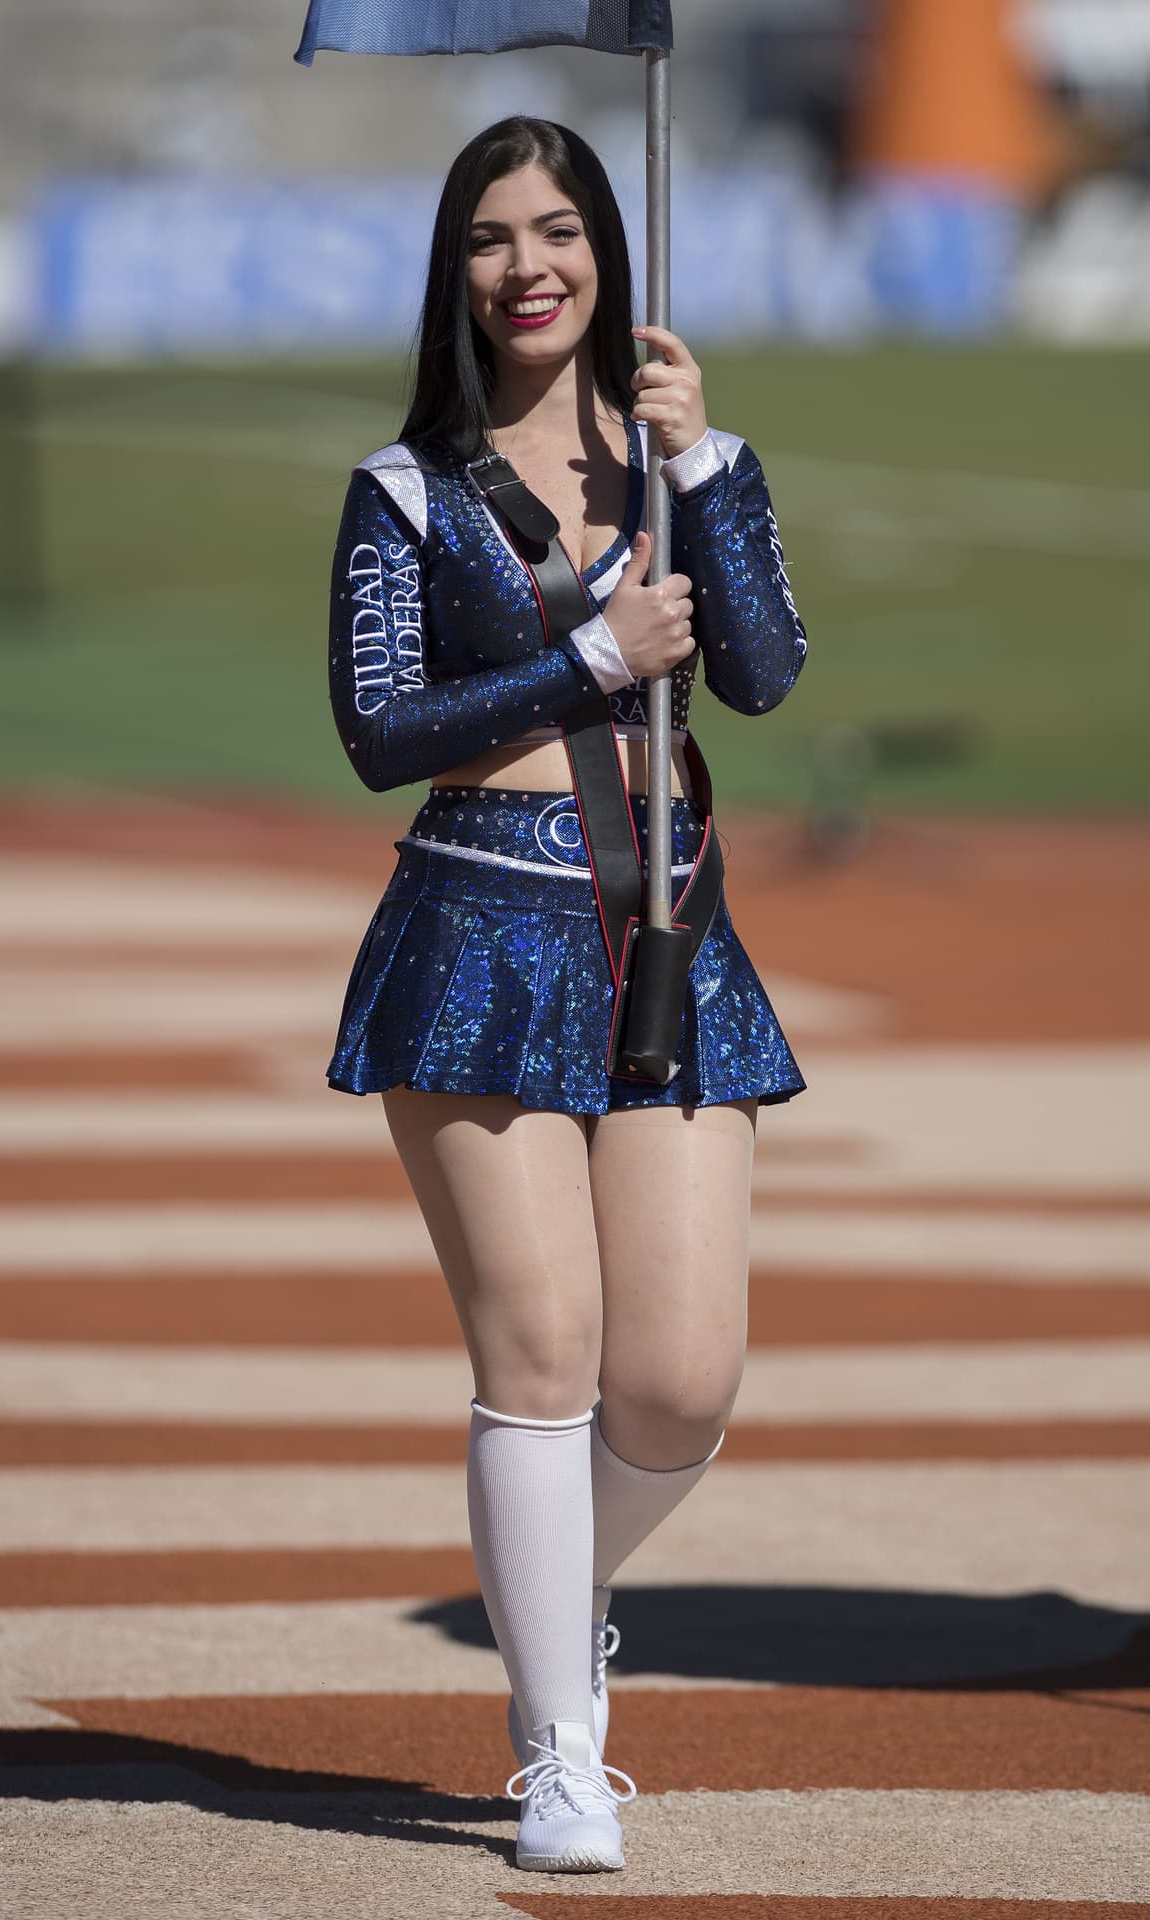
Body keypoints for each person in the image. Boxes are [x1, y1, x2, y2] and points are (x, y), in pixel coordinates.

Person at [325, 115, 808, 1874]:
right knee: (542, 1354)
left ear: (609, 251)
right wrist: (592, 656)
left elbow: (756, 676)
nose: (528, 267)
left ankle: (551, 1590)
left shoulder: (689, 466)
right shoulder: (408, 490)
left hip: (670, 924)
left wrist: (721, 468)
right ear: (453, 274)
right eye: (488, 239)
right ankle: (557, 1753)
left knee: (678, 1384)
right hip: (480, 933)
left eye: (558, 232)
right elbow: (381, 730)